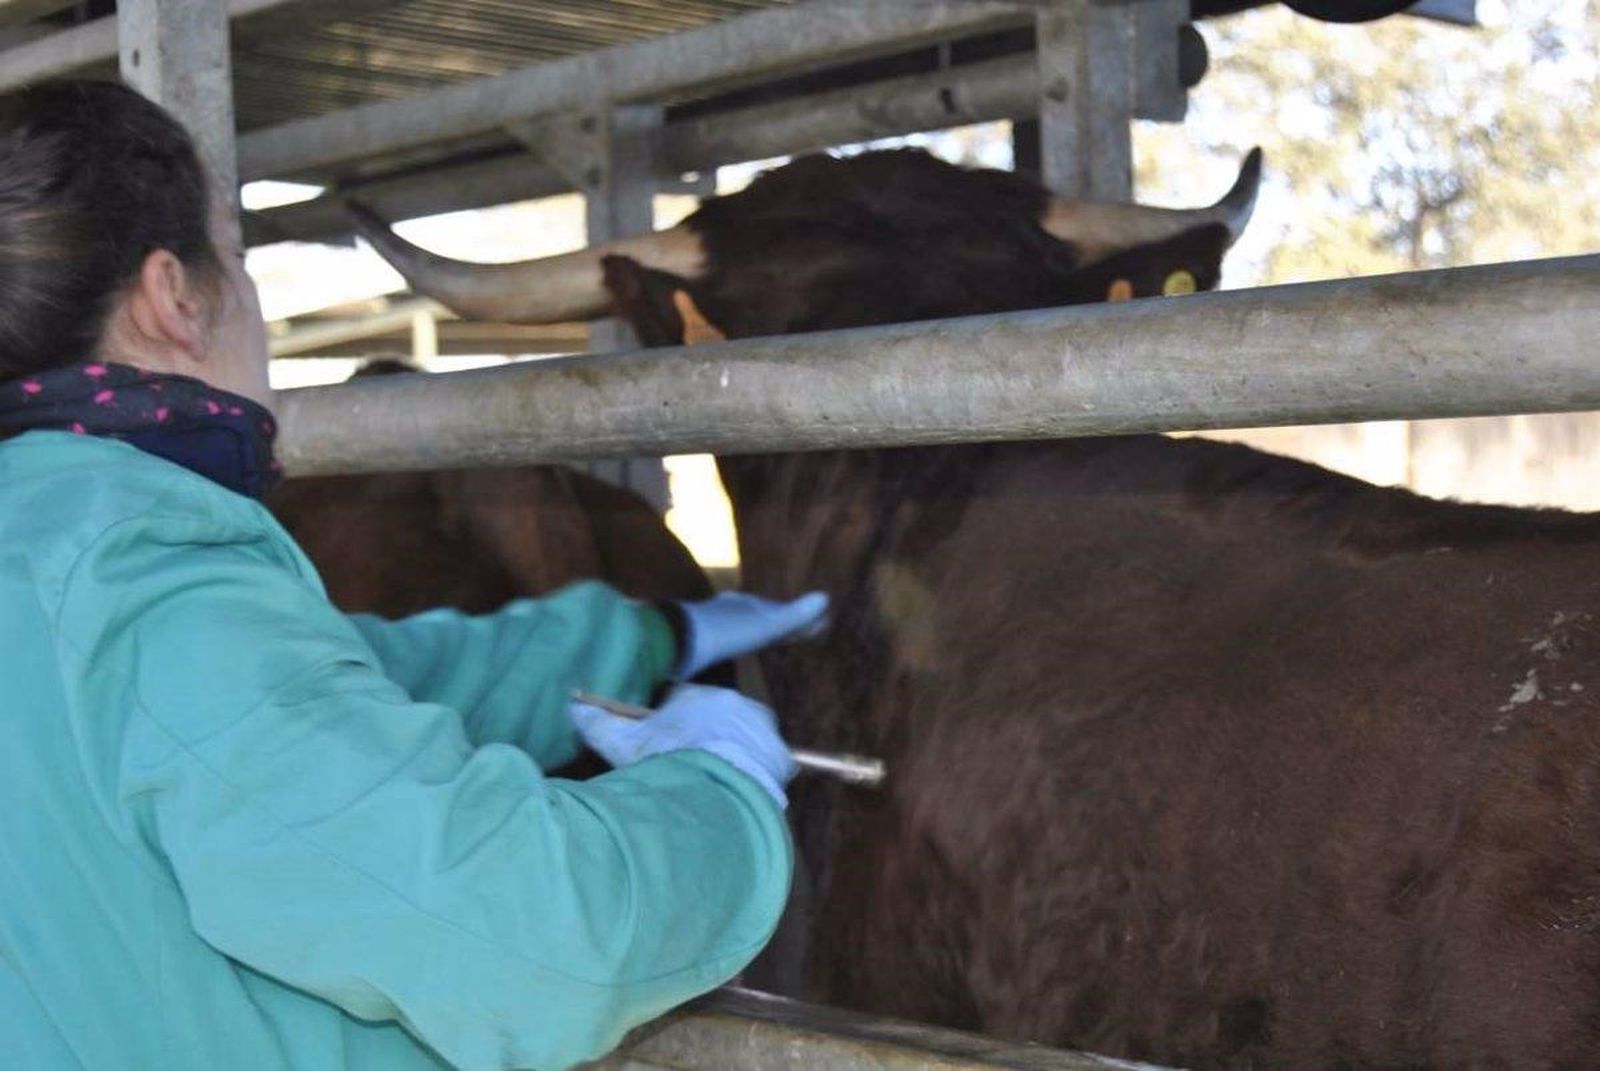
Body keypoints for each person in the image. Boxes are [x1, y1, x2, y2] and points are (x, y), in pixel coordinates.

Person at [0, 80, 827, 1071]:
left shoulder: (53, 552)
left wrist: (648, 640)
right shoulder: (140, 574)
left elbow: (326, 684)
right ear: (174, 297)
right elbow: (537, 947)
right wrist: (718, 789)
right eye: (239, 256)